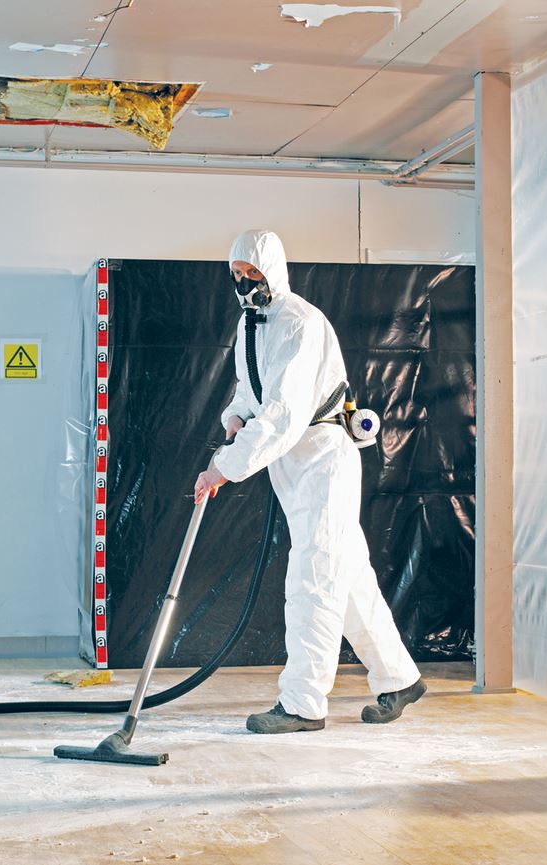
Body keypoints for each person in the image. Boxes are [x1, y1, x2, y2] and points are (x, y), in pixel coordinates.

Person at [194, 229, 426, 734]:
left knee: (313, 577)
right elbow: (252, 388)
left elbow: (284, 414)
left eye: (252, 272)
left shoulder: (299, 322)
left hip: (322, 458)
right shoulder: (252, 323)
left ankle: (302, 703)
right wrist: (235, 417)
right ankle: (399, 678)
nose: (244, 282)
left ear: (272, 271)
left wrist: (224, 468)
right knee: (348, 576)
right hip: (292, 462)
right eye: (236, 274)